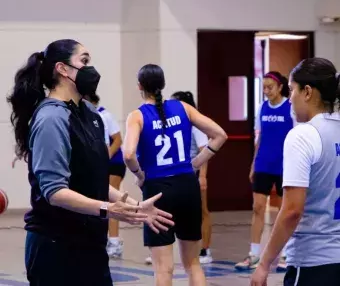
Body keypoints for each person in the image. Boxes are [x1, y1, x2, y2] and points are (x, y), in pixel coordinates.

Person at [7, 39, 174, 286]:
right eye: (84, 61)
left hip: (91, 244)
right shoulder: (51, 118)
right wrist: (107, 209)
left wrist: (135, 206)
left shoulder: (90, 113)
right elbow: (54, 191)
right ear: (63, 69)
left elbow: (92, 181)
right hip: (56, 249)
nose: (90, 69)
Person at [123, 64, 227, 286]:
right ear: (163, 84)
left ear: (139, 86)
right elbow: (220, 135)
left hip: (158, 190)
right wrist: (195, 163)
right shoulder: (183, 108)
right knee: (193, 264)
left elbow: (128, 153)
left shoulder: (137, 116)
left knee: (163, 269)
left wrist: (139, 175)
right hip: (187, 186)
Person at [251, 57, 340, 286]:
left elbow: (291, 210)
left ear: (307, 92)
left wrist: (264, 263)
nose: (290, 99)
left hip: (314, 262)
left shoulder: (303, 135)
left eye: (292, 90)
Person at [235, 71, 296, 272]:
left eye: (270, 87)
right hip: (264, 164)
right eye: (264, 87)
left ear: (280, 87)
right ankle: (254, 253)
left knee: (284, 210)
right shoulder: (261, 108)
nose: (266, 91)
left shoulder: (291, 108)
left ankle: (286, 253)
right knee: (258, 207)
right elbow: (258, 139)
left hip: (285, 165)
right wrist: (254, 164)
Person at [171, 91, 212, 264]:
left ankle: (205, 250)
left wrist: (202, 176)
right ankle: (163, 249)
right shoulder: (175, 125)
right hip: (177, 175)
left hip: (193, 174)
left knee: (202, 211)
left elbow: (205, 150)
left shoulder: (196, 125)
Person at [84, 93, 126, 258]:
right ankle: (100, 239)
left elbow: (117, 140)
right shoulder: (84, 116)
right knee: (96, 201)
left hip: (114, 163)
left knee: (110, 200)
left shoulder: (104, 115)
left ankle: (114, 241)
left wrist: (105, 157)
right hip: (97, 164)